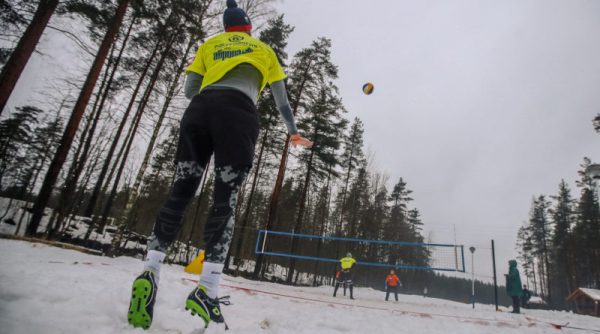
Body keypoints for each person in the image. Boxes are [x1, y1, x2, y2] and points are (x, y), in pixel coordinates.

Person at [126, 0, 312, 330]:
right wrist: (293, 133)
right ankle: (207, 289)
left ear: (226, 27)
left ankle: (150, 269)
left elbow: (189, 90)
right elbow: (282, 100)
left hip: (198, 113)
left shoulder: (209, 45)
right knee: (225, 201)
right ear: (248, 27)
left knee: (181, 191)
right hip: (237, 116)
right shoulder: (262, 49)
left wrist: (213, 79)